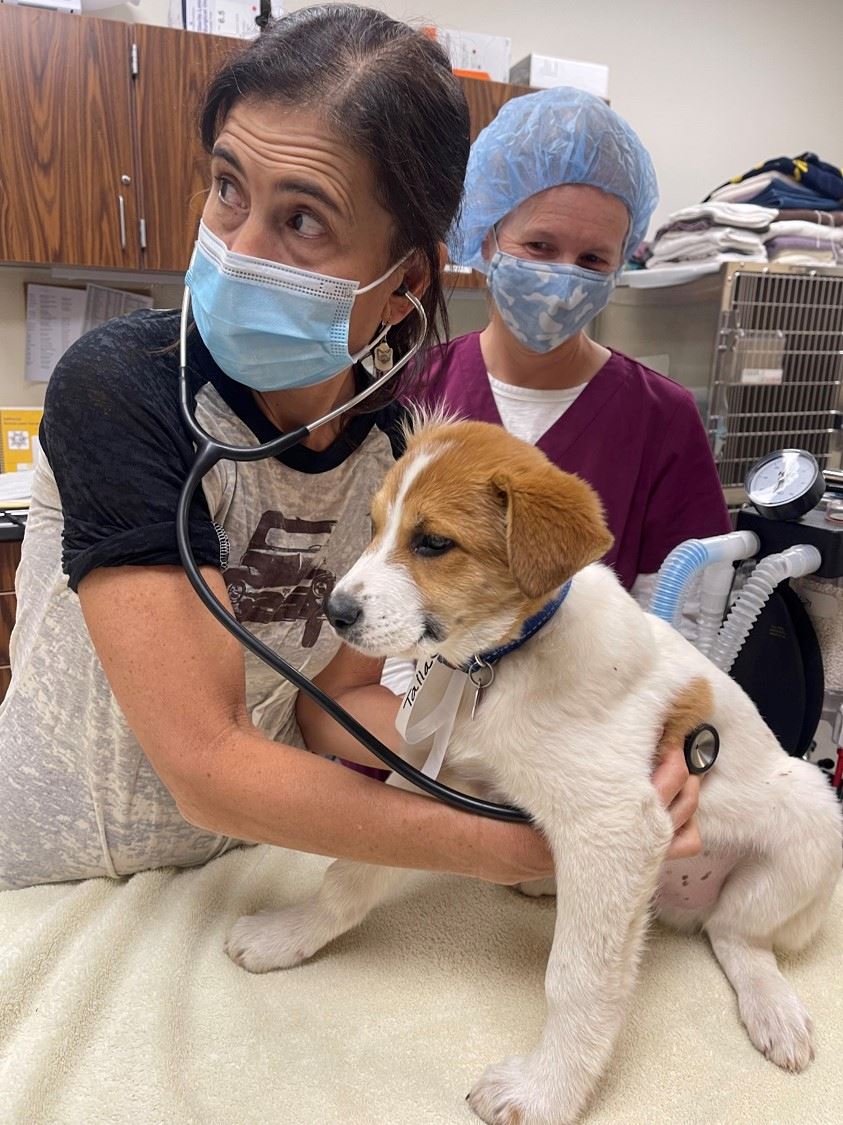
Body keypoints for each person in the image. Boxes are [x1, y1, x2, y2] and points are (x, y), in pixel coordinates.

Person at [0, 6, 699, 892]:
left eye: (303, 220)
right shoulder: (123, 388)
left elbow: (331, 702)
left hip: (252, 862)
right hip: (67, 874)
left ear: (406, 277)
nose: (238, 247)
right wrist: (509, 843)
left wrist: (539, 777)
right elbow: (206, 762)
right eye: (227, 186)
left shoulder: (393, 452)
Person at [415, 87, 732, 610]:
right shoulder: (416, 388)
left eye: (592, 260)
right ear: (487, 238)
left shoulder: (662, 420)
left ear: (622, 262)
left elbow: (684, 623)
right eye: (539, 246)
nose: (563, 276)